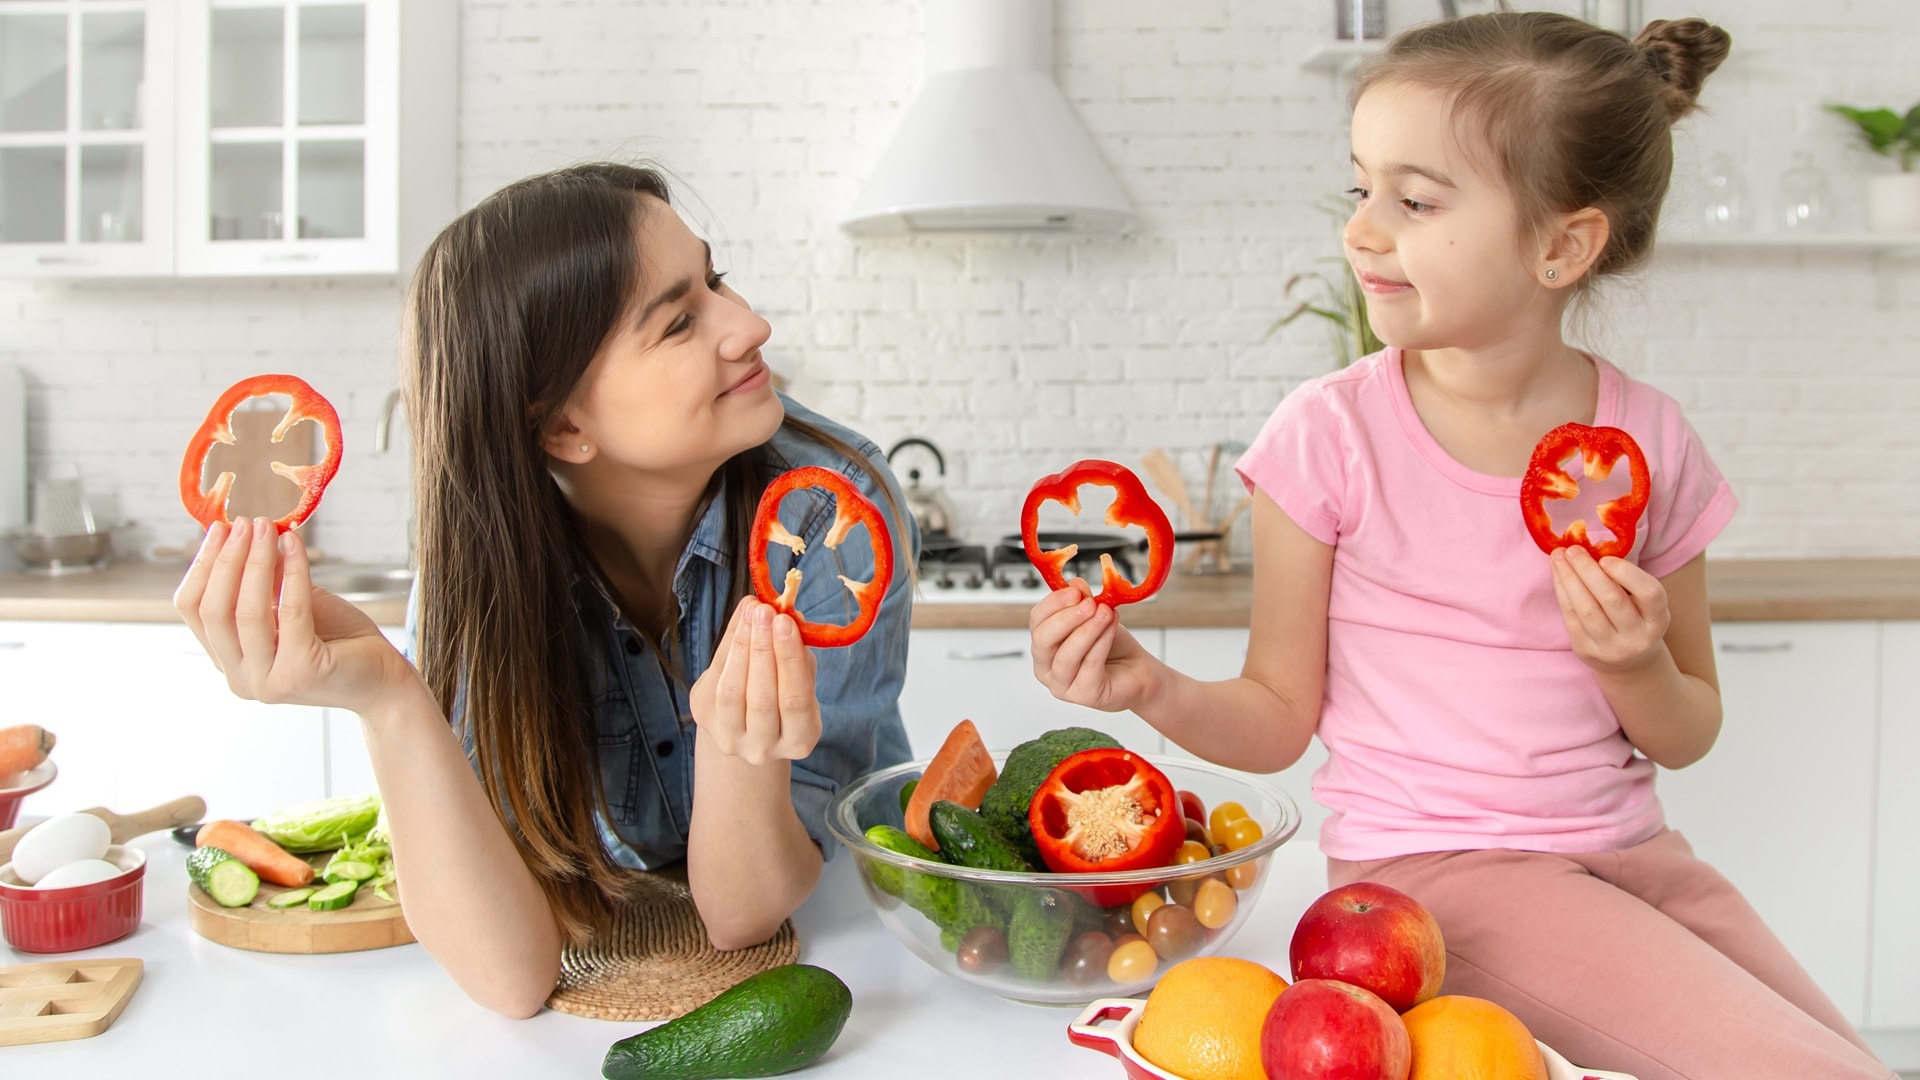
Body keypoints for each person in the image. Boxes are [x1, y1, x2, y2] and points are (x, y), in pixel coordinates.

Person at [1027, 14, 1894, 1079]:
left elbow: (1689, 730)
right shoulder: (1331, 437)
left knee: (1849, 1060)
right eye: (1362, 190)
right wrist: (1147, 685)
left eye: (1417, 200)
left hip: (1637, 857)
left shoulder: (1649, 443)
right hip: (1440, 875)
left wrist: (1630, 660)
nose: (1362, 231)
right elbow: (1276, 721)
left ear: (1562, 244)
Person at [174, 162, 916, 1018]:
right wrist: (386, 700)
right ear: (564, 426)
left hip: (860, 950)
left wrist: (735, 746)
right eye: (680, 321)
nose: (751, 324)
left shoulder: (832, 517)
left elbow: (743, 914)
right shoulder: (482, 573)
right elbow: (510, 979)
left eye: (715, 280)